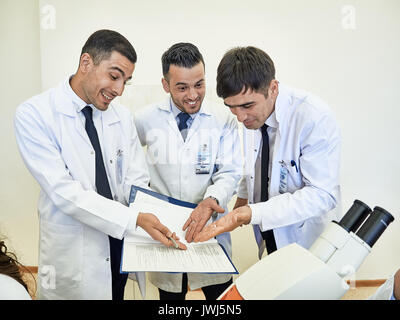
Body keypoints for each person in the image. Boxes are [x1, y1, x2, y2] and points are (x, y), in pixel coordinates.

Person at [14, 29, 185, 300]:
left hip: (121, 245)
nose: (118, 90)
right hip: (75, 251)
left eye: (125, 82)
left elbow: (136, 179)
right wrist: (133, 219)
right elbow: (63, 193)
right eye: (114, 76)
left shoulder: (121, 117)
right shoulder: (35, 114)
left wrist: (156, 217)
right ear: (86, 63)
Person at [195, 46, 341, 260]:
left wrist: (252, 213)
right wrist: (240, 206)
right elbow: (255, 165)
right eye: (231, 108)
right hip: (267, 234)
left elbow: (322, 195)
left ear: (273, 88)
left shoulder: (313, 117)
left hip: (305, 241)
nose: (240, 118)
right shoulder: (253, 117)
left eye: (247, 106)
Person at [134, 43, 242, 300]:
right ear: (165, 85)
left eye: (199, 84)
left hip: (210, 227)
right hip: (166, 229)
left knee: (221, 297)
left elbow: (230, 171)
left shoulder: (222, 117)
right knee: (171, 299)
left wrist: (211, 200)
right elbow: (128, 164)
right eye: (182, 87)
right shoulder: (144, 118)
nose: (193, 95)